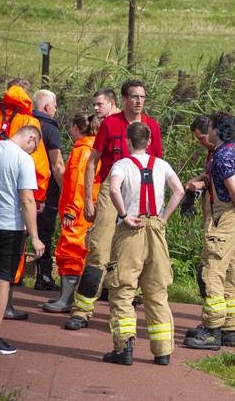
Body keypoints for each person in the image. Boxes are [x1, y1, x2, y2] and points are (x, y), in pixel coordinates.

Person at [65, 80, 163, 331]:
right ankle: (82, 310)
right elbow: (92, 162)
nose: (139, 101)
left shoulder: (152, 126)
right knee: (99, 249)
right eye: (134, 96)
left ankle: (124, 309)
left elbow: (158, 165)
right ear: (124, 99)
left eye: (142, 96)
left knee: (137, 252)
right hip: (112, 188)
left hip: (141, 189)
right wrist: (89, 198)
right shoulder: (111, 123)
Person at [103, 122, 184, 366]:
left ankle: (124, 347)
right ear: (148, 141)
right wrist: (164, 219)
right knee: (157, 291)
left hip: (131, 229)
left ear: (127, 142)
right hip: (155, 229)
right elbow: (179, 191)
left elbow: (115, 188)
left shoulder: (122, 164)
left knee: (123, 289)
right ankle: (162, 352)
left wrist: (123, 214)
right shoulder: (162, 164)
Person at [184, 112, 235, 350]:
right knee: (232, 272)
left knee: (213, 270)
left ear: (217, 130)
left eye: (212, 128)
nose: (209, 132)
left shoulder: (222, 156)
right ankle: (230, 329)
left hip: (226, 215)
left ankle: (212, 330)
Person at [0, 84, 50, 321]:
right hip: (9, 217)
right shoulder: (28, 123)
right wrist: (40, 196)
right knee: (3, 275)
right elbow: (41, 166)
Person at [0, 126, 45, 354]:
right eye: (35, 147)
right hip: (8, 227)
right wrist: (36, 236)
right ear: (31, 138)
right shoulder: (23, 159)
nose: (32, 152)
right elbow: (27, 199)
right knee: (2, 280)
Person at [43, 113, 101, 313]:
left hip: (77, 212)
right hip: (87, 210)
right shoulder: (94, 147)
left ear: (76, 128)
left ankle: (66, 299)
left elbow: (78, 183)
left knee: (71, 252)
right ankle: (70, 298)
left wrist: (70, 210)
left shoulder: (82, 151)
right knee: (81, 252)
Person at [32, 90, 66, 291]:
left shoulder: (24, 122)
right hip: (45, 189)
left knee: (22, 230)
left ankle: (14, 275)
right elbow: (57, 164)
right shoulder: (50, 128)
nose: (56, 108)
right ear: (46, 107)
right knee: (44, 230)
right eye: (54, 104)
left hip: (22, 187)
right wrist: (64, 190)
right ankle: (43, 275)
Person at [183, 115, 213, 299]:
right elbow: (210, 173)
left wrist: (202, 185)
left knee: (211, 264)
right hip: (210, 214)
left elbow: (226, 178)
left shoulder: (224, 151)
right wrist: (196, 180)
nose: (201, 143)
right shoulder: (212, 152)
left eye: (202, 138)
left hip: (221, 216)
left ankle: (215, 316)